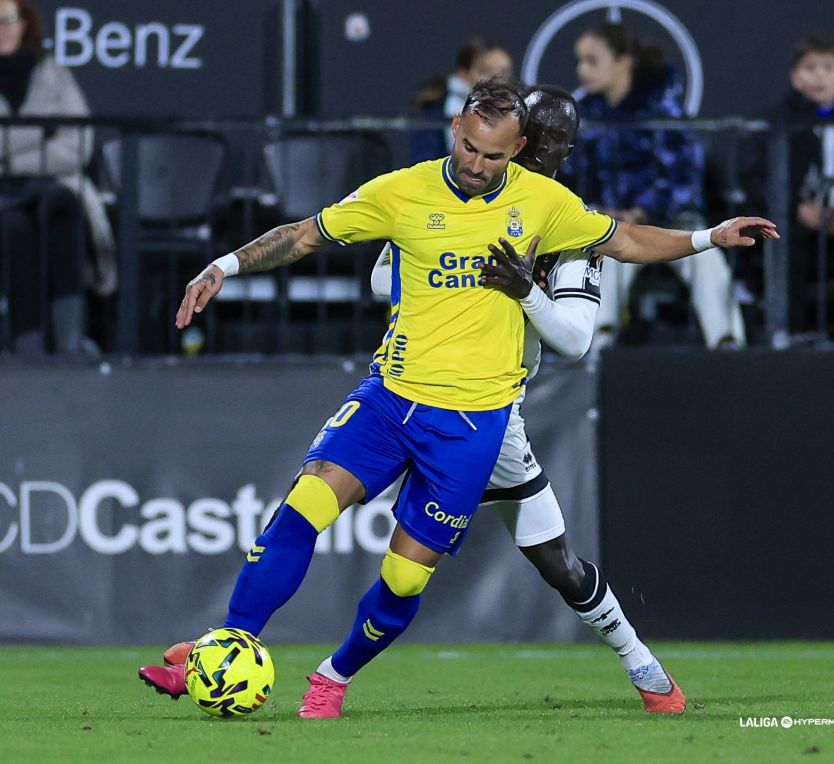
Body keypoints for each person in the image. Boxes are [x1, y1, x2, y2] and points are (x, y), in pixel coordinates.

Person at [137, 76, 776, 718]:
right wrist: (224, 265)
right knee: (302, 507)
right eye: (471, 147)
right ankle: (224, 644)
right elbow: (308, 235)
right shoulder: (404, 191)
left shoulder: (553, 211)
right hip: (391, 398)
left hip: (478, 423)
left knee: (425, 575)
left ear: (528, 147)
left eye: (501, 154)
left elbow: (617, 260)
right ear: (456, 131)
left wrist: (705, 238)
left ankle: (334, 676)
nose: (479, 164)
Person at [369, 85, 685, 713]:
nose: (547, 154)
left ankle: (646, 670)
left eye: (560, 144)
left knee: (557, 563)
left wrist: (523, 292)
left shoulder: (565, 222)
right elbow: (382, 276)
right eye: (539, 139)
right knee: (310, 507)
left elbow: (572, 338)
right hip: (411, 386)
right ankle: (227, 644)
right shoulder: (446, 196)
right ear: (515, 137)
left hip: (490, 414)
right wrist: (459, 281)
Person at [569, 22, 745, 349]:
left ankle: (728, 344)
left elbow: (684, 173)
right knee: (601, 255)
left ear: (623, 62)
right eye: (579, 61)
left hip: (669, 218)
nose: (582, 71)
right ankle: (596, 350)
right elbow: (571, 175)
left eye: (592, 61)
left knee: (707, 259)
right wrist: (600, 209)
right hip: (608, 221)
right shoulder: (582, 113)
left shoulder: (663, 105)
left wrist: (644, 210)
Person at [742, 34, 834, 341]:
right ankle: (791, 333)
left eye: (827, 67)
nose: (819, 76)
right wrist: (794, 207)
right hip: (795, 220)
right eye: (810, 68)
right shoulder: (778, 122)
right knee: (782, 242)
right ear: (795, 78)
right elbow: (754, 174)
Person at [0, 0, 115, 354]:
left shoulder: (54, 73)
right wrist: (44, 132)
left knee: (64, 211)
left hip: (57, 185)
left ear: (24, 23)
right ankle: (28, 347)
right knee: (17, 230)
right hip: (4, 194)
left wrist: (11, 156)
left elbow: (77, 144)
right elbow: (57, 141)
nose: (2, 27)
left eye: (8, 19)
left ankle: (70, 343)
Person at [410, 38, 514, 164]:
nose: (500, 79)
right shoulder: (438, 113)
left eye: (505, 71)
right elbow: (424, 165)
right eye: (488, 71)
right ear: (463, 74)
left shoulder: (516, 114)